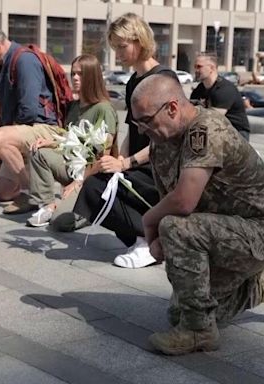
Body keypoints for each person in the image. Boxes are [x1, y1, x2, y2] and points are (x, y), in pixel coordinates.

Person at [130, 74, 264, 355]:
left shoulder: (206, 130)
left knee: (176, 229)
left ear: (171, 108)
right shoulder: (162, 142)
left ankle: (199, 332)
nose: (142, 130)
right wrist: (159, 238)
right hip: (219, 229)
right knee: (178, 313)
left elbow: (183, 202)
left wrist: (150, 222)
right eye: (137, 123)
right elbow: (168, 199)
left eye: (145, 121)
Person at [73, 12, 178, 268]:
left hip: (162, 168)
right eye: (115, 47)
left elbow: (167, 138)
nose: (117, 53)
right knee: (95, 186)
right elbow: (133, 130)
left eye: (122, 46)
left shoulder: (164, 78)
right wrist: (117, 160)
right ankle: (141, 237)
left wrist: (126, 164)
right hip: (139, 163)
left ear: (139, 41)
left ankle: (147, 240)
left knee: (97, 189)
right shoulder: (133, 82)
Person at [0, 23, 61, 214]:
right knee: (3, 193)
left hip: (42, 127)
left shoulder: (24, 60)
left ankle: (35, 195)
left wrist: (6, 136)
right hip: (22, 129)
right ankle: (33, 182)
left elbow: (30, 109)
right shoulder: (2, 64)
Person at [26, 54, 118, 228]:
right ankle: (47, 205)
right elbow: (70, 140)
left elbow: (102, 158)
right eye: (73, 73)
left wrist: (78, 182)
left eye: (81, 74)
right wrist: (49, 143)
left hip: (92, 177)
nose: (75, 78)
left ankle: (91, 209)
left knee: (61, 223)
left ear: (92, 77)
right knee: (38, 152)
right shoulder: (75, 107)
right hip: (71, 166)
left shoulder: (104, 109)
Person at [190, 52, 250, 140]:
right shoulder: (199, 90)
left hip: (236, 132)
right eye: (195, 67)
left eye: (199, 67)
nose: (196, 70)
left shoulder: (225, 89)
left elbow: (214, 119)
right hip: (215, 131)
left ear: (212, 68)